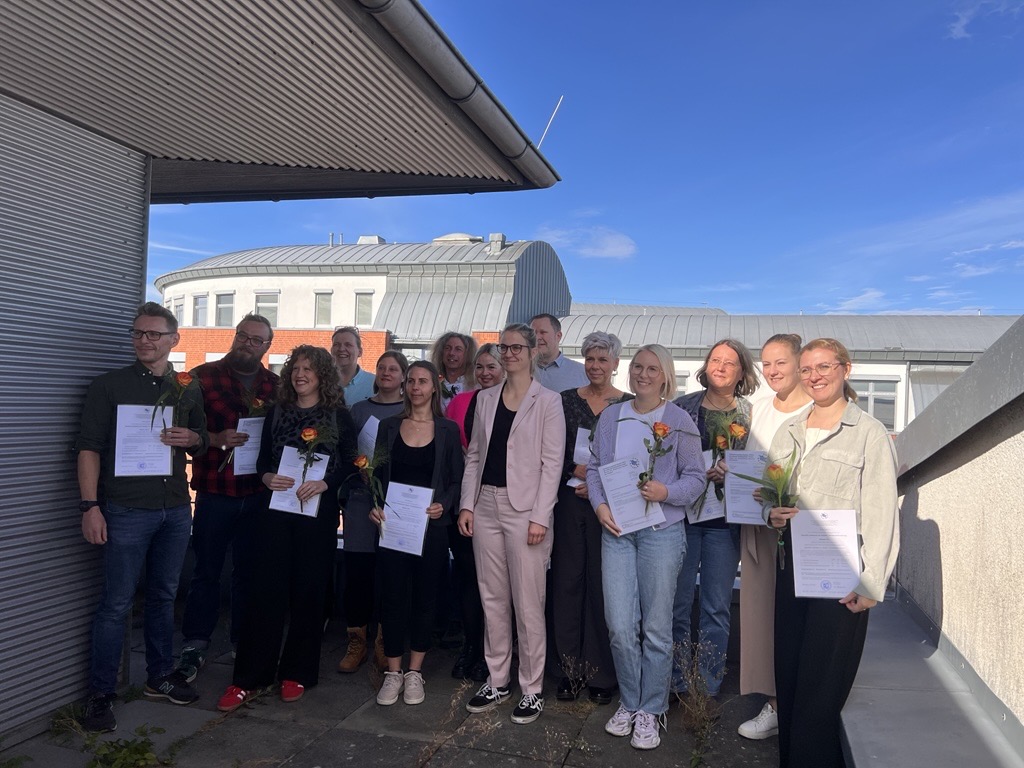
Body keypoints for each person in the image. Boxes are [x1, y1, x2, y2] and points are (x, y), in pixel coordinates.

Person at [766, 338, 898, 768]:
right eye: (807, 369)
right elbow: (771, 494)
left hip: (841, 575)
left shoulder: (870, 434)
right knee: (789, 675)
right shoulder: (791, 430)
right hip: (792, 568)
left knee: (822, 687)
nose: (815, 376)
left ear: (846, 369)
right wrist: (772, 512)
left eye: (824, 367)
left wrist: (872, 582)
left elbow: (881, 512)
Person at [77, 303, 208, 733]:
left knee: (164, 597)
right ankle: (100, 694)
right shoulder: (109, 386)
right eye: (138, 334)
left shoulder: (188, 388)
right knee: (116, 604)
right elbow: (88, 449)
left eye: (154, 334)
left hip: (174, 509)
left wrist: (193, 438)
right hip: (126, 509)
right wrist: (89, 506)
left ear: (174, 339)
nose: (145, 341)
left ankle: (159, 676)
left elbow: (201, 442)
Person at [217, 345, 357, 712]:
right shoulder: (277, 411)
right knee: (264, 591)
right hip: (275, 511)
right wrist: (266, 476)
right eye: (296, 368)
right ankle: (248, 676)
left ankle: (297, 671)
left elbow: (352, 464)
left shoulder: (338, 416)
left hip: (318, 512)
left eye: (308, 369)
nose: (300, 374)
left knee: (309, 592)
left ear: (322, 374)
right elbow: (262, 459)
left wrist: (326, 483)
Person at [587, 344, 705, 750]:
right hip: (617, 531)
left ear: (666, 375)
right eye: (638, 366)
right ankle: (630, 701)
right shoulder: (611, 416)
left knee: (655, 628)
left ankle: (651, 709)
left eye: (652, 368)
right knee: (620, 626)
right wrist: (599, 505)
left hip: (661, 533)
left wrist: (666, 490)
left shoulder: (679, 421)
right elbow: (594, 468)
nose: (643, 374)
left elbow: (697, 478)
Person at [458, 323, 565, 725]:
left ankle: (532, 686)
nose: (509, 354)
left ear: (533, 350)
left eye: (516, 347)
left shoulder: (548, 401)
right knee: (492, 597)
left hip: (526, 513)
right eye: (504, 347)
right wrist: (467, 505)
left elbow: (552, 464)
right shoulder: (484, 399)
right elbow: (474, 457)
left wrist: (541, 516)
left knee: (528, 601)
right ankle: (498, 678)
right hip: (485, 504)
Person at [176, 314, 280, 683]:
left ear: (268, 346)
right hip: (215, 492)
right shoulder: (201, 377)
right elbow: (183, 428)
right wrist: (217, 439)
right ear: (234, 337)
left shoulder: (275, 386)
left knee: (248, 573)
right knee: (206, 570)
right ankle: (195, 643)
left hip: (256, 494)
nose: (247, 345)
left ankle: (243, 641)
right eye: (243, 337)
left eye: (257, 341)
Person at [370, 361, 464, 705]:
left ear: (434, 387)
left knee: (425, 599)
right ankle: (392, 672)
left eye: (422, 381)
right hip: (393, 526)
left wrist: (444, 504)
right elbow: (377, 474)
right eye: (411, 381)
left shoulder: (448, 430)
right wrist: (375, 503)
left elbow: (457, 479)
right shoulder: (389, 427)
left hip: (432, 528)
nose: (415, 387)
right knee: (392, 598)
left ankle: (415, 673)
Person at [673, 339, 758, 700]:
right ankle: (676, 681)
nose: (721, 366)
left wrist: (733, 474)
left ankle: (706, 686)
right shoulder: (681, 408)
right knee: (676, 604)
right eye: (715, 360)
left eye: (730, 362)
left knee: (716, 607)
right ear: (705, 365)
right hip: (684, 520)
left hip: (726, 524)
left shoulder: (754, 415)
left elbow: (762, 465)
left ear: (742, 372)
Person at [736, 334, 811, 741]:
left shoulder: (819, 409)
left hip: (804, 530)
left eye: (781, 362)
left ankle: (791, 700)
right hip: (760, 526)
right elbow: (750, 464)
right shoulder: (759, 409)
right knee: (762, 614)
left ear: (800, 363)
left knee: (796, 618)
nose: (773, 371)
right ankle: (774, 697)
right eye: (766, 364)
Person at [551, 331, 629, 705]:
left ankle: (601, 673)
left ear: (616, 363)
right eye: (591, 359)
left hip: (610, 508)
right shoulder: (565, 401)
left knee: (603, 588)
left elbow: (634, 462)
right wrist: (575, 469)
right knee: (567, 584)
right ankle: (568, 671)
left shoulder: (628, 406)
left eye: (603, 359)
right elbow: (549, 450)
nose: (596, 366)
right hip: (567, 502)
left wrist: (598, 482)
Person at [337, 350, 409, 673]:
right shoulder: (359, 409)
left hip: (396, 502)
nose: (386, 372)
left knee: (389, 573)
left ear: (404, 376)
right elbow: (347, 450)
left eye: (394, 368)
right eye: (382, 368)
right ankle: (357, 640)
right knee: (358, 570)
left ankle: (384, 640)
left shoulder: (410, 410)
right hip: (360, 497)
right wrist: (359, 467)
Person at [444, 344, 504, 682]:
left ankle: (493, 649)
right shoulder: (460, 402)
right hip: (464, 505)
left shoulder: (514, 402)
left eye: (491, 367)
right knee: (468, 578)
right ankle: (471, 647)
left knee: (494, 583)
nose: (484, 373)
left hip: (499, 504)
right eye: (479, 367)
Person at [531, 313, 588, 393]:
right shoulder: (519, 370)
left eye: (543, 332)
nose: (537, 337)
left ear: (558, 336)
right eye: (533, 333)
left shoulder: (581, 373)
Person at [430, 331, 476, 409]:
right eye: (447, 348)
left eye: (458, 349)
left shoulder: (475, 385)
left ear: (468, 354)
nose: (451, 353)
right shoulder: (432, 383)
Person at [332, 326, 375, 404]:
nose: (341, 349)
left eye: (348, 345)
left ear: (360, 352)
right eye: (336, 345)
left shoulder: (374, 383)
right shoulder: (321, 382)